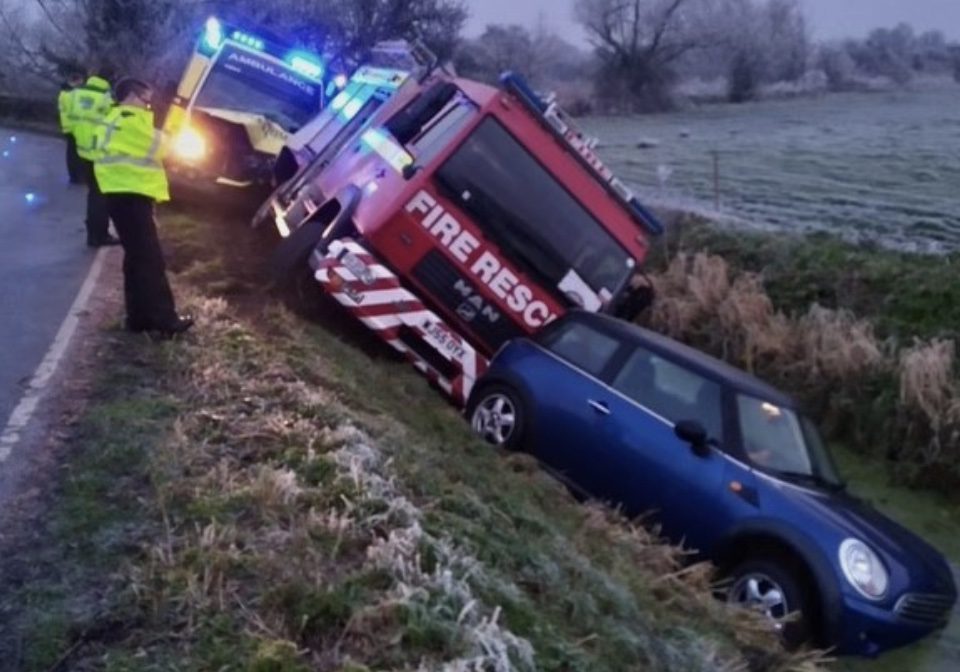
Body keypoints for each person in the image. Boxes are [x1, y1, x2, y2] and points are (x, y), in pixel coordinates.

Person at [93, 77, 193, 337]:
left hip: (121, 195)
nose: (148, 107)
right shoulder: (128, 119)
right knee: (151, 260)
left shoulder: (112, 119)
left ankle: (138, 318)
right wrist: (177, 132)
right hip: (131, 197)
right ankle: (165, 320)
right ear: (131, 97)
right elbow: (162, 146)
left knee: (137, 259)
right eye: (146, 101)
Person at [71, 71, 119, 247]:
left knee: (93, 194)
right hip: (100, 152)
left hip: (84, 151)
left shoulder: (78, 94)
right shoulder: (104, 98)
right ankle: (100, 235)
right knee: (101, 196)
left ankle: (93, 234)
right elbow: (115, 123)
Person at [58, 72, 85, 184]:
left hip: (67, 127)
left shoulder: (63, 93)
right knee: (76, 154)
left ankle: (74, 176)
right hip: (74, 127)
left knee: (71, 153)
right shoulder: (72, 94)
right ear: (76, 81)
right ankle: (77, 177)